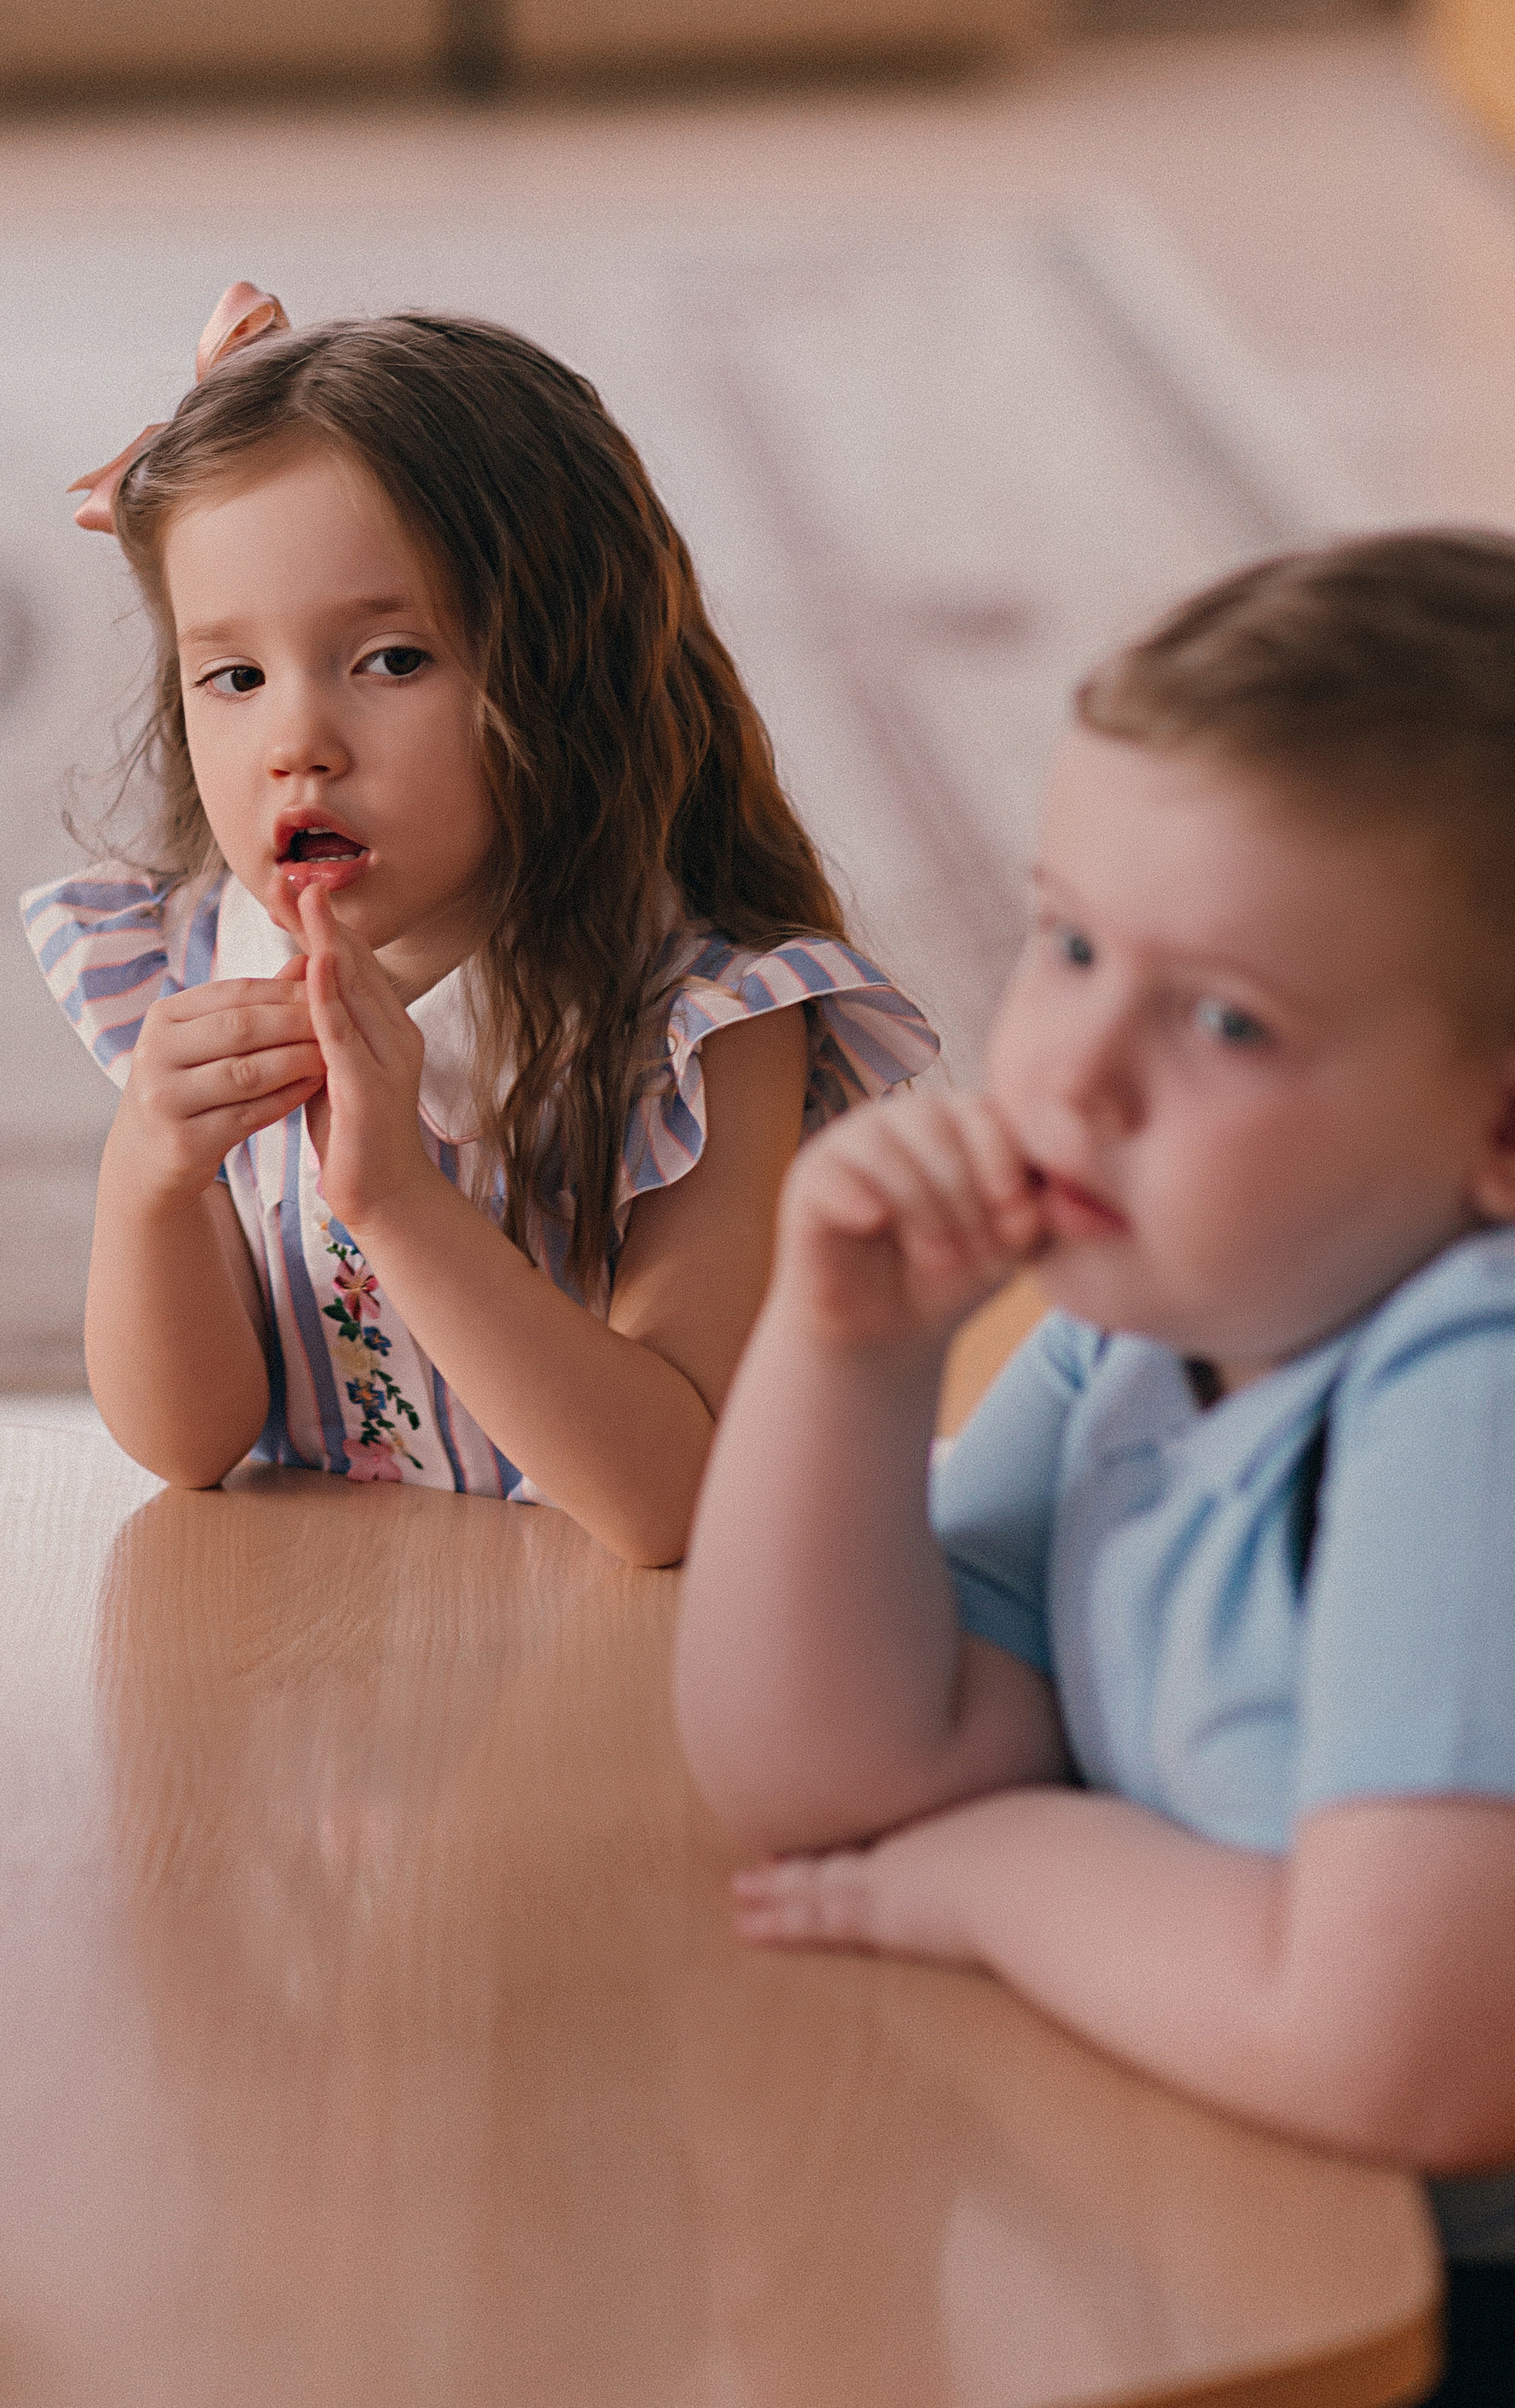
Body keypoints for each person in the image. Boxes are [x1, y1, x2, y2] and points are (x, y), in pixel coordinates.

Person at [674, 531, 1515, 2402]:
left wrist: (996, 1878)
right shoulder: (1152, 1318)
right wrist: (848, 1361)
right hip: (1238, 2215)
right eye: (1064, 945)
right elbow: (831, 1783)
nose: (1069, 1076)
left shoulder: (1475, 1388)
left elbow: (1402, 2056)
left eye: (1221, 1019)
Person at [23, 284, 936, 1568]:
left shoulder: (701, 1030)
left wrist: (397, 1198)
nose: (295, 743)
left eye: (392, 660)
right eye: (234, 676)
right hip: (315, 1632)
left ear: (568, 676)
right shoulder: (194, 965)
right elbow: (190, 1443)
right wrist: (149, 1183)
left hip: (608, 1649)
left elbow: (670, 1501)